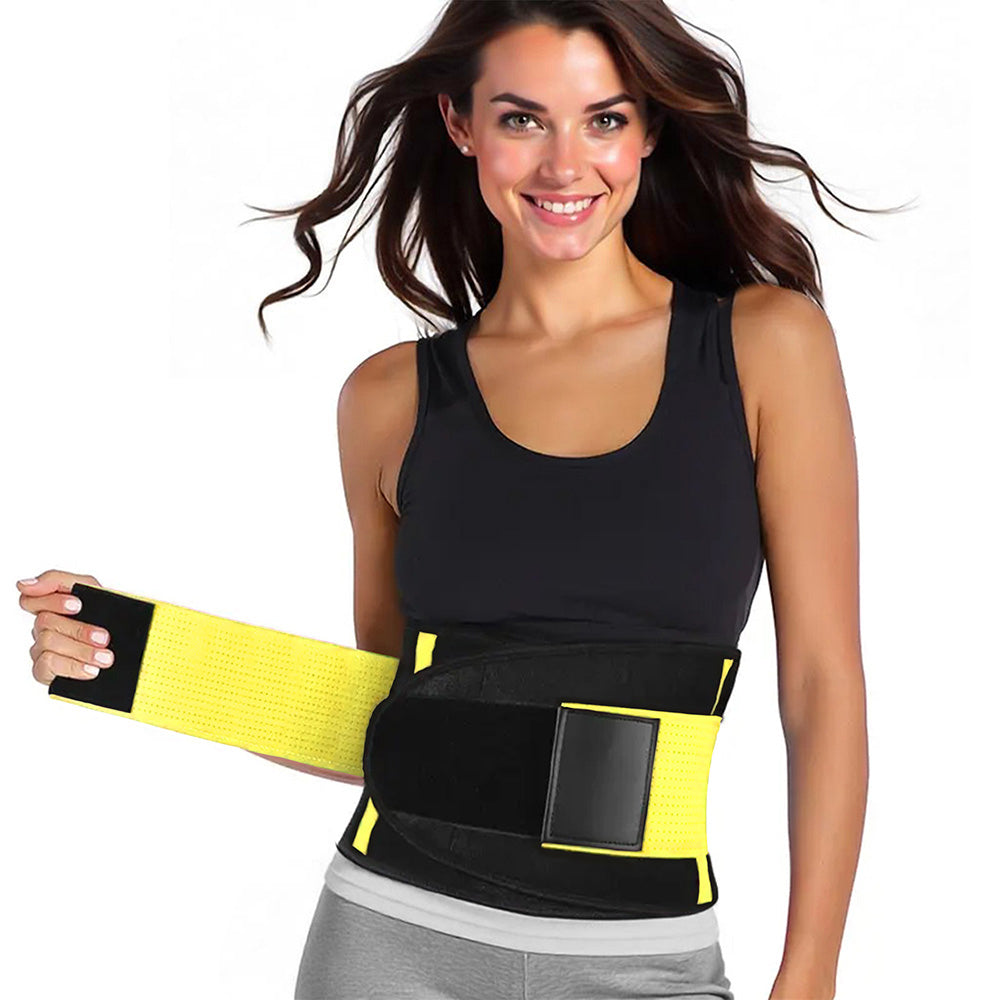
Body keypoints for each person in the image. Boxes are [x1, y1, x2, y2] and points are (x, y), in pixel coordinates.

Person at [22, 2, 880, 997]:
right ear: (461, 124)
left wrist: (811, 970)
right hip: (389, 941)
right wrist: (124, 652)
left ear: (649, 129)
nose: (565, 164)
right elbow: (393, 719)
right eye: (522, 120)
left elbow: (821, 681)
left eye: (603, 119)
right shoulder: (388, 400)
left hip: (643, 960)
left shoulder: (764, 347)